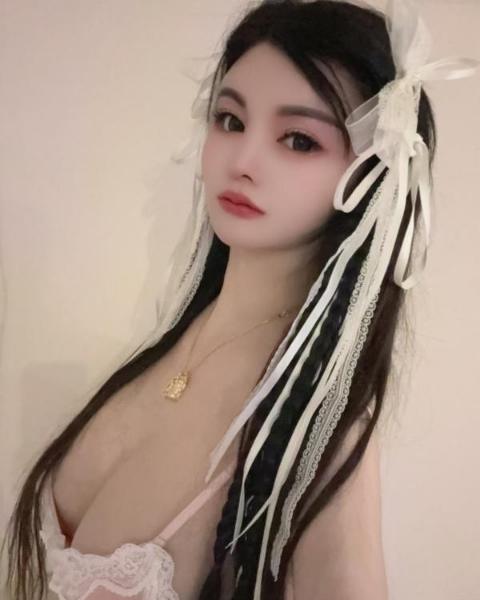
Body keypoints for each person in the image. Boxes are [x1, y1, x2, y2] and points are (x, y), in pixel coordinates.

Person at [1, 1, 477, 599]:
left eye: (299, 140)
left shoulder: (316, 434)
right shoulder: (178, 339)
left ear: (373, 175)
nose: (243, 161)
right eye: (230, 120)